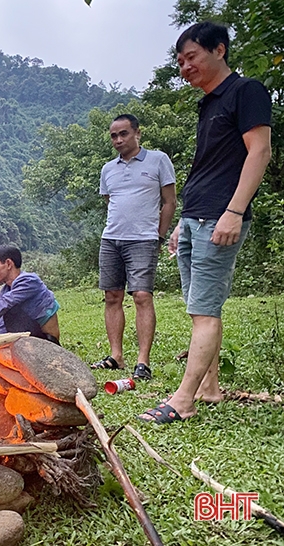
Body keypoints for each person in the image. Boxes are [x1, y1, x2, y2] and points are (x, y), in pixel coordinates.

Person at [139, 22, 272, 424]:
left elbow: (260, 151)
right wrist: (182, 219)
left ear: (219, 49)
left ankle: (183, 400)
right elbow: (206, 167)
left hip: (220, 215)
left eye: (191, 57)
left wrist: (234, 211)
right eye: (179, 61)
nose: (184, 67)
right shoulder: (209, 103)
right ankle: (209, 388)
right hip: (196, 216)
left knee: (205, 308)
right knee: (200, 308)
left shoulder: (246, 91)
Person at [92, 114, 177, 380]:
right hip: (111, 239)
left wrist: (159, 236)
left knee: (141, 296)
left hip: (144, 239)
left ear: (137, 133)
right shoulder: (108, 169)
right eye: (114, 136)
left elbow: (169, 202)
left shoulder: (158, 160)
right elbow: (111, 200)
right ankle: (116, 356)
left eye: (124, 134)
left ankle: (143, 361)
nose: (118, 140)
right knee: (111, 296)